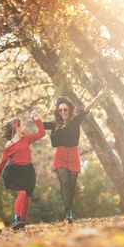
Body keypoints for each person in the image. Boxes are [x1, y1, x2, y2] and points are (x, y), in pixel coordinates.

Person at [43, 90, 105, 223]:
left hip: (73, 155)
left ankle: (69, 209)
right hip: (60, 155)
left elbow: (85, 110)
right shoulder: (55, 124)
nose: (63, 112)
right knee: (64, 182)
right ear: (57, 112)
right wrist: (34, 118)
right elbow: (41, 125)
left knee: (71, 186)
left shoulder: (75, 121)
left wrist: (97, 97)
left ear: (69, 110)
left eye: (65, 109)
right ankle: (68, 212)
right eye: (60, 110)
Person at [0, 110, 45, 230]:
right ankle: (16, 219)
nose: (25, 126)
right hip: (16, 171)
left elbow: (42, 133)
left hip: (28, 171)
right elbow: (2, 162)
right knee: (22, 192)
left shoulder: (26, 139)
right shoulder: (9, 145)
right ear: (17, 127)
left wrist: (36, 119)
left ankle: (21, 222)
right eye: (23, 125)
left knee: (27, 196)